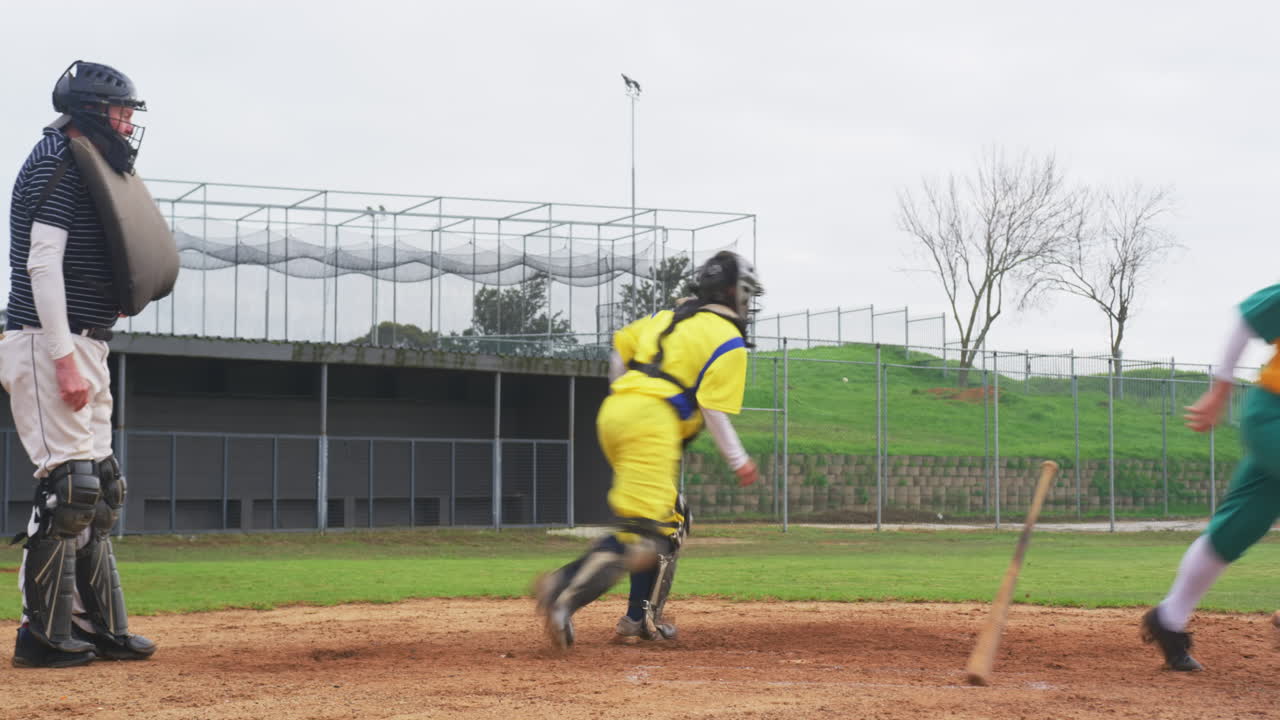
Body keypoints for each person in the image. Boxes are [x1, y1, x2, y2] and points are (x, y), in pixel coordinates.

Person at [2, 60, 157, 668]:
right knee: (68, 488)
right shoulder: (57, 161)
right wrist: (64, 358)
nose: (127, 121)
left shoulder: (87, 163)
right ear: (93, 110)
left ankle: (96, 627)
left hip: (85, 342)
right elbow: (42, 266)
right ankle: (39, 634)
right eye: (122, 110)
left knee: (101, 491)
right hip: (46, 342)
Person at [535, 250, 763, 649]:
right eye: (746, 293)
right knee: (645, 537)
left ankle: (637, 619)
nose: (748, 302)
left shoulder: (669, 316)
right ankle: (561, 593)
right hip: (652, 423)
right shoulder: (729, 338)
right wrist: (739, 460)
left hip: (617, 412)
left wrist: (627, 398)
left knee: (671, 517)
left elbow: (620, 346)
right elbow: (711, 408)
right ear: (733, 292)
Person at [1141, 284, 1280, 671]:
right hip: (1275, 415)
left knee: (1239, 524)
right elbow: (1248, 319)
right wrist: (1219, 392)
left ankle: (1168, 619)